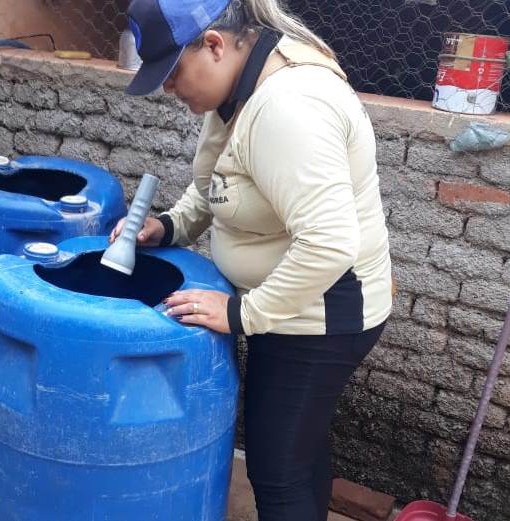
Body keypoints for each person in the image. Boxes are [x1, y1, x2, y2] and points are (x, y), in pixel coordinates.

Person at [110, 1, 393, 519]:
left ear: (214, 46)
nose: (171, 92)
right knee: (298, 451)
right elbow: (222, 184)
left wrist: (241, 314)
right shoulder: (243, 86)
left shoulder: (289, 107)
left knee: (276, 471)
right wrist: (170, 225)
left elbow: (329, 243)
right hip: (288, 308)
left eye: (171, 75)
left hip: (320, 315)